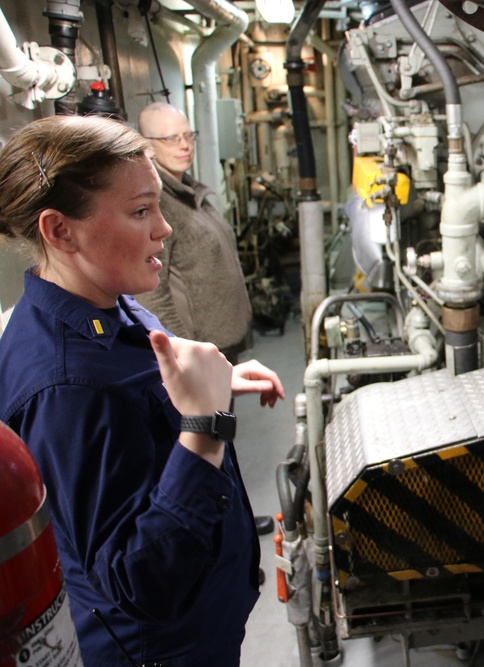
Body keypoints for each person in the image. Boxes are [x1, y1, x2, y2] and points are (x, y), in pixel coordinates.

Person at [0, 114, 284, 666]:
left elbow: (139, 382)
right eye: (139, 211)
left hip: (200, 624)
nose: (164, 228)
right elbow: (140, 581)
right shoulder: (64, 387)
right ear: (59, 231)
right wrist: (206, 425)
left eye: (156, 205)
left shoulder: (101, 301)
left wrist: (216, 380)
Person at [136, 101, 274, 536]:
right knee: (201, 451)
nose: (183, 145)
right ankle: (215, 537)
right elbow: (154, 289)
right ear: (146, 145)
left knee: (222, 445)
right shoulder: (161, 201)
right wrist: (183, 353)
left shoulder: (187, 189)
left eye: (187, 135)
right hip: (197, 356)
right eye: (170, 138)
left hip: (218, 353)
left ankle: (229, 525)